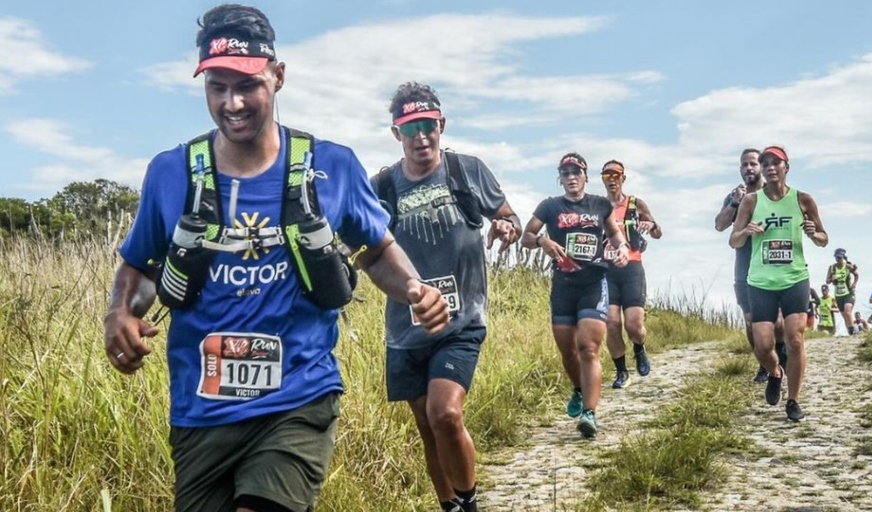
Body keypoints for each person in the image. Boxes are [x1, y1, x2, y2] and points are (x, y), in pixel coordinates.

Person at [102, 6, 450, 512]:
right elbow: (137, 266)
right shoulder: (170, 173)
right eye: (217, 87)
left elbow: (375, 249)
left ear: (278, 76)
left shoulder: (332, 165)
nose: (232, 102)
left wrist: (416, 290)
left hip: (298, 398)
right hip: (200, 412)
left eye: (247, 86)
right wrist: (120, 313)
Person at [371, 82, 522, 512]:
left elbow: (507, 214)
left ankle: (470, 503)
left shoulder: (466, 170)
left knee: (445, 414)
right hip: (405, 327)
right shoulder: (381, 186)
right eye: (411, 127)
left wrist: (506, 226)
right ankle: (449, 505)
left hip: (461, 321)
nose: (421, 137)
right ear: (396, 133)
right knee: (426, 426)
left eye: (429, 126)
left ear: (442, 125)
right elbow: (360, 242)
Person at [523, 152, 629, 438]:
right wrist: (543, 240)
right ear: (560, 178)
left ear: (585, 176)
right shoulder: (549, 206)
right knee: (568, 352)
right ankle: (579, 390)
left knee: (589, 348)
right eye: (565, 173)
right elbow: (526, 236)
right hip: (563, 286)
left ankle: (589, 414)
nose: (571, 177)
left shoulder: (599, 204)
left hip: (593, 282)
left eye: (576, 172)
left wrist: (621, 248)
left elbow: (616, 235)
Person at [729, 146, 828, 422]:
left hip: (794, 278)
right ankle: (775, 372)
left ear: (787, 167)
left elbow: (824, 238)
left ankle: (794, 401)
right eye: (765, 163)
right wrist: (746, 231)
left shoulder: (802, 200)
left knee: (795, 339)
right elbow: (733, 239)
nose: (770, 167)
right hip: (760, 281)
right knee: (762, 345)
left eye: (776, 163)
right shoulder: (751, 201)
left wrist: (813, 234)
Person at [715, 148, 787, 384]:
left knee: (776, 321)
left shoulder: (772, 194)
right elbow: (719, 226)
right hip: (744, 268)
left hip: (772, 267)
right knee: (750, 321)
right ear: (740, 169)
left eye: (753, 164)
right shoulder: (735, 196)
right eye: (744, 165)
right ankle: (764, 364)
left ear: (762, 167)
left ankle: (781, 353)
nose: (749, 168)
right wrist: (734, 203)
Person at [598, 160, 661, 389]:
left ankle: (639, 347)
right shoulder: (597, 206)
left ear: (623, 178)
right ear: (603, 179)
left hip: (632, 268)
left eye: (616, 175)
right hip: (606, 269)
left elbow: (658, 233)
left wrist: (650, 224)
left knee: (633, 325)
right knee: (612, 322)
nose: (612, 179)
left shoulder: (635, 204)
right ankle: (622, 372)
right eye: (607, 176)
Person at [826, 248, 859, 335]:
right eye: (836, 257)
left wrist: (854, 284)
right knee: (844, 315)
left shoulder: (847, 266)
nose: (838, 259)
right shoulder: (832, 267)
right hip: (838, 294)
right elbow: (827, 281)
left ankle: (853, 333)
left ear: (843, 257)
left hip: (848, 293)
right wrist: (831, 279)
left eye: (840, 258)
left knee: (848, 312)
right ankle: (850, 332)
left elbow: (856, 275)